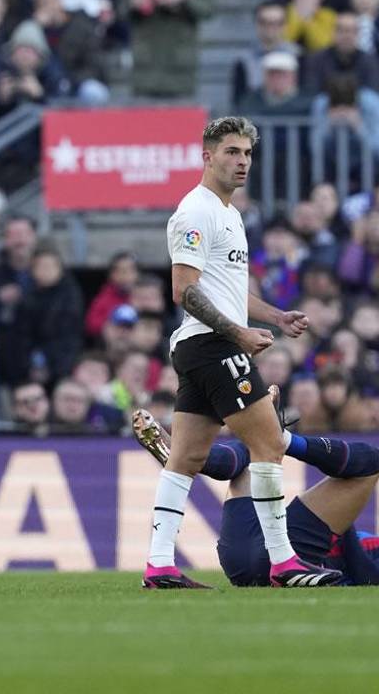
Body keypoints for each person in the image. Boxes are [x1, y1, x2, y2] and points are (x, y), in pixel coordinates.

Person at [143, 116, 341, 590]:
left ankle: (159, 565)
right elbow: (184, 290)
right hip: (212, 345)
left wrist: (273, 317)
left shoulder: (229, 215)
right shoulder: (196, 211)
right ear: (207, 156)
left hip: (200, 348)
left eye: (248, 154)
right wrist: (237, 333)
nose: (242, 162)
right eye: (232, 152)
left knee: (186, 458)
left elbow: (225, 290)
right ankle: (283, 562)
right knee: (269, 443)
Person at [132, 407, 379, 587]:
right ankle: (195, 458)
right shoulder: (377, 544)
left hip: (288, 554)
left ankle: (282, 440)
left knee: (369, 460)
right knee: (253, 452)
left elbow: (373, 578)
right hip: (244, 564)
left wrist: (343, 527)